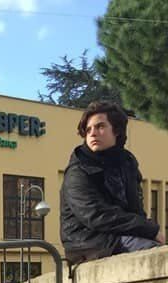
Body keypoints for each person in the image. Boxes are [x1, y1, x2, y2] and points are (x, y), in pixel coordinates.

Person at [60, 101, 165, 267]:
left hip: (120, 235)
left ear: (116, 130)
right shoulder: (78, 171)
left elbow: (136, 210)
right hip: (89, 242)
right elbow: (96, 215)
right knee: (156, 254)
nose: (93, 133)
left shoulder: (127, 164)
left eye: (100, 126)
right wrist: (149, 229)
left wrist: (148, 231)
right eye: (88, 129)